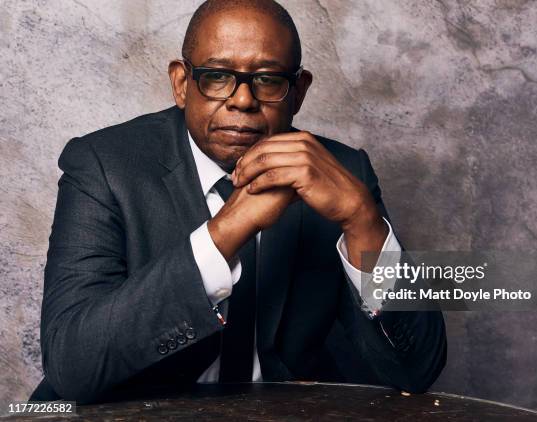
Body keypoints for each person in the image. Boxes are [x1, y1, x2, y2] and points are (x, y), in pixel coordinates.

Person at [31, 0, 446, 404]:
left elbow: (417, 369)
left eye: (267, 79)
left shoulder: (342, 171)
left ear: (298, 92)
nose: (243, 100)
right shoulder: (103, 165)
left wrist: (362, 221)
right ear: (181, 83)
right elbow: (73, 366)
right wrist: (225, 232)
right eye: (216, 76)